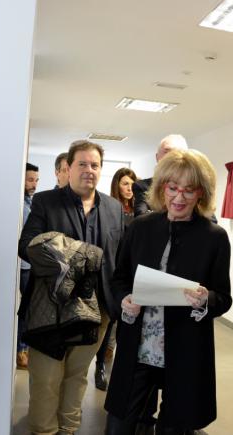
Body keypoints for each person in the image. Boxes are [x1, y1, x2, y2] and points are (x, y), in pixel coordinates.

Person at [104, 149, 232, 435]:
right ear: (162, 188)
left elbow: (223, 297)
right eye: (173, 188)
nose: (179, 198)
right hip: (138, 345)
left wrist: (205, 299)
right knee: (119, 424)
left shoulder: (214, 238)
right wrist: (124, 299)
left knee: (175, 427)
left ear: (201, 193)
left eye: (189, 190)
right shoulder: (140, 228)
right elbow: (119, 278)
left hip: (184, 348)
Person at [18, 140, 123, 435]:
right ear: (68, 167)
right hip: (51, 309)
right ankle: (44, 431)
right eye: (82, 164)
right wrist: (72, 252)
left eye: (95, 165)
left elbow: (121, 257)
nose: (89, 170)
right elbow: (26, 247)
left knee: (77, 376)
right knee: (47, 378)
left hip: (97, 309)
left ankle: (68, 430)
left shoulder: (114, 208)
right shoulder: (45, 202)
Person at [95, 167, 139, 391]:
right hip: (116, 273)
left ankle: (124, 369)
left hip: (136, 274)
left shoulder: (141, 212)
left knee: (128, 325)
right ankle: (100, 365)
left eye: (132, 183)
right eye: (125, 183)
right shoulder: (110, 209)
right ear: (116, 186)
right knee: (109, 321)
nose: (129, 188)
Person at [17, 162, 39, 369]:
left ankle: (24, 348)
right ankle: (20, 351)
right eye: (30, 179)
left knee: (30, 309)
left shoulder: (31, 203)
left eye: (36, 180)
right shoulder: (19, 205)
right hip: (22, 266)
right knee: (26, 311)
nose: (34, 184)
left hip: (31, 265)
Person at [133, 134, 188, 216]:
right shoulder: (143, 186)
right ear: (157, 157)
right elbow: (141, 215)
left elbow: (209, 221)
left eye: (175, 153)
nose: (169, 157)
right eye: (166, 152)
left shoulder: (194, 187)